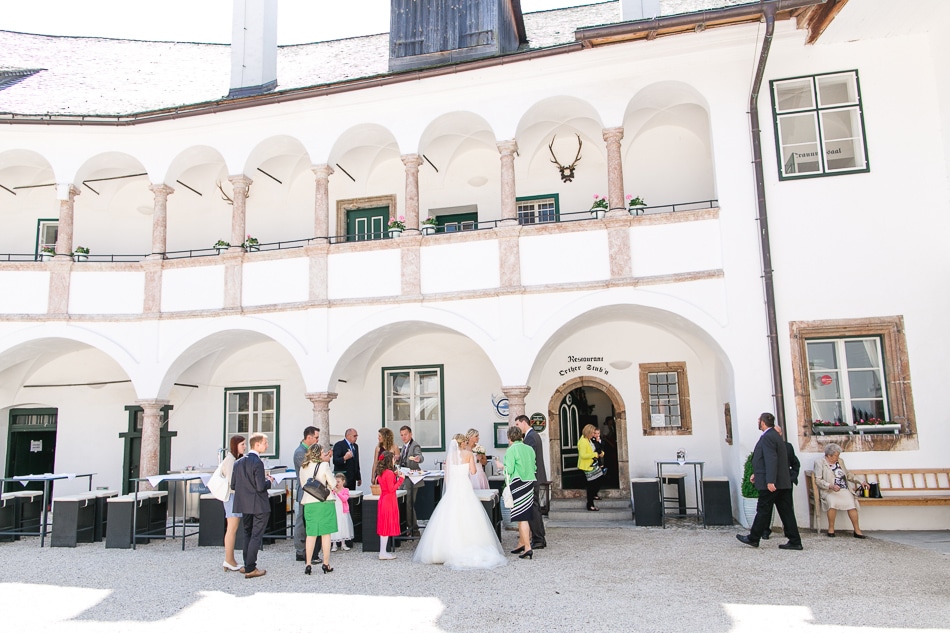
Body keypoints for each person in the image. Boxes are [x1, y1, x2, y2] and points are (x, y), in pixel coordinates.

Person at [412, 434, 506, 570]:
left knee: (449, 516)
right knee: (468, 515)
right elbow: (473, 472)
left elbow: (447, 477)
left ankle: (443, 550)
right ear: (464, 443)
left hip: (453, 489)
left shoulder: (450, 456)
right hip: (464, 486)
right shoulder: (468, 454)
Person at [736, 413, 803, 551]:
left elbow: (771, 459)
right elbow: (772, 460)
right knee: (786, 512)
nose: (758, 422)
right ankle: (795, 540)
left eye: (759, 420)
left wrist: (770, 480)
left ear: (762, 422)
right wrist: (757, 473)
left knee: (763, 509)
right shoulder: (774, 436)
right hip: (781, 482)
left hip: (773, 482)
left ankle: (753, 538)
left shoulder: (768, 437)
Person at [230, 432, 275, 578]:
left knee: (247, 533)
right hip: (258, 504)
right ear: (257, 444)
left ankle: (246, 564)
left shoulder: (238, 462)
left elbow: (234, 484)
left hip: (244, 503)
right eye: (265, 443)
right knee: (256, 535)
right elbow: (261, 486)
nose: (267, 445)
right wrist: (270, 481)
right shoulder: (257, 462)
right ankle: (251, 567)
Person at [813, 443, 868, 538]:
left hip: (843, 489)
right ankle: (831, 529)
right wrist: (830, 486)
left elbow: (848, 475)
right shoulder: (820, 462)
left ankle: (857, 530)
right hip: (829, 490)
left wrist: (861, 481)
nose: (837, 457)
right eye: (836, 455)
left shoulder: (840, 461)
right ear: (829, 455)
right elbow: (818, 480)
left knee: (851, 502)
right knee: (832, 501)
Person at [299, 443, 338, 574]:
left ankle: (308, 564)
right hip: (324, 502)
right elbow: (332, 483)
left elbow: (303, 484)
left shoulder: (303, 467)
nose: (324, 455)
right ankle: (326, 563)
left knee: (311, 534)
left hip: (309, 503)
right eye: (322, 453)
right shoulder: (324, 465)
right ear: (318, 454)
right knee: (325, 534)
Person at [503, 425, 536, 560]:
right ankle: (521, 543)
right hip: (529, 482)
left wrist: (502, 466)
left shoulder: (512, 450)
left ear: (509, 437)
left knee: (521, 516)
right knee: (524, 513)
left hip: (518, 482)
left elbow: (509, 469)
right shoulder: (529, 449)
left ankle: (527, 547)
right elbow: (534, 466)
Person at [763, 425, 800, 540]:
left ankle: (790, 533)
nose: (778, 435)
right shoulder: (767, 445)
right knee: (766, 508)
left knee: (787, 509)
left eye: (779, 433)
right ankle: (765, 531)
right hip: (771, 482)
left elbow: (795, 463)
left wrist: (791, 477)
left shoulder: (787, 447)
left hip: (784, 483)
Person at [515, 415, 547, 549]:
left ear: (523, 423)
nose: (516, 427)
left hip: (532, 477)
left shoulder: (530, 438)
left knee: (533, 508)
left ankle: (538, 538)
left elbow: (528, 459)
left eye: (517, 424)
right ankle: (539, 537)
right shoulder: (532, 436)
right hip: (535, 477)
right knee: (535, 508)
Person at [293, 426, 319, 562]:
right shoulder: (300, 452)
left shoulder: (307, 450)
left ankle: (307, 549)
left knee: (305, 519)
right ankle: (300, 550)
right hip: (304, 491)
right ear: (308, 437)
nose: (317, 440)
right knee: (301, 520)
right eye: (316, 437)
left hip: (310, 490)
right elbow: (307, 469)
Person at [220, 434, 245, 572]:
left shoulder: (235, 459)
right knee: (232, 528)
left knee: (233, 529)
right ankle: (228, 559)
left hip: (234, 496)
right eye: (242, 444)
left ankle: (230, 559)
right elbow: (232, 481)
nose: (244, 447)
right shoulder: (230, 460)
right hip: (231, 496)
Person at [375, 450, 404, 560]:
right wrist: (400, 479)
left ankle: (383, 551)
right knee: (386, 525)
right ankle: (383, 552)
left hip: (383, 498)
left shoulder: (381, 473)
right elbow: (392, 488)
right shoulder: (390, 473)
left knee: (383, 526)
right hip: (389, 500)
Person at [397, 425, 424, 537]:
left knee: (409, 504)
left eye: (406, 434)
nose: (404, 437)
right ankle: (405, 527)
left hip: (412, 479)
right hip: (404, 477)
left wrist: (418, 458)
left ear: (411, 434)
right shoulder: (404, 446)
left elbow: (420, 456)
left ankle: (414, 529)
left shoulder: (415, 445)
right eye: (402, 435)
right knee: (403, 503)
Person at [577, 424, 604, 511]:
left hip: (593, 464)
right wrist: (595, 454)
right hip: (587, 467)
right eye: (592, 432)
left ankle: (594, 495)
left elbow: (595, 448)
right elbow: (583, 455)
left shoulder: (589, 440)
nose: (594, 434)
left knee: (600, 479)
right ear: (588, 432)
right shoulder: (583, 441)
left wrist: (600, 452)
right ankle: (590, 504)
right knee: (591, 486)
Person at [330, 473, 354, 551]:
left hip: (343, 512)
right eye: (335, 482)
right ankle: (334, 544)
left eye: (338, 482)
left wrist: (338, 492)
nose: (337, 484)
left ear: (343, 481)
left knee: (343, 526)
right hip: (335, 511)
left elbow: (344, 499)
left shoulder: (345, 490)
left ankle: (343, 543)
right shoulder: (332, 491)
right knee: (335, 526)